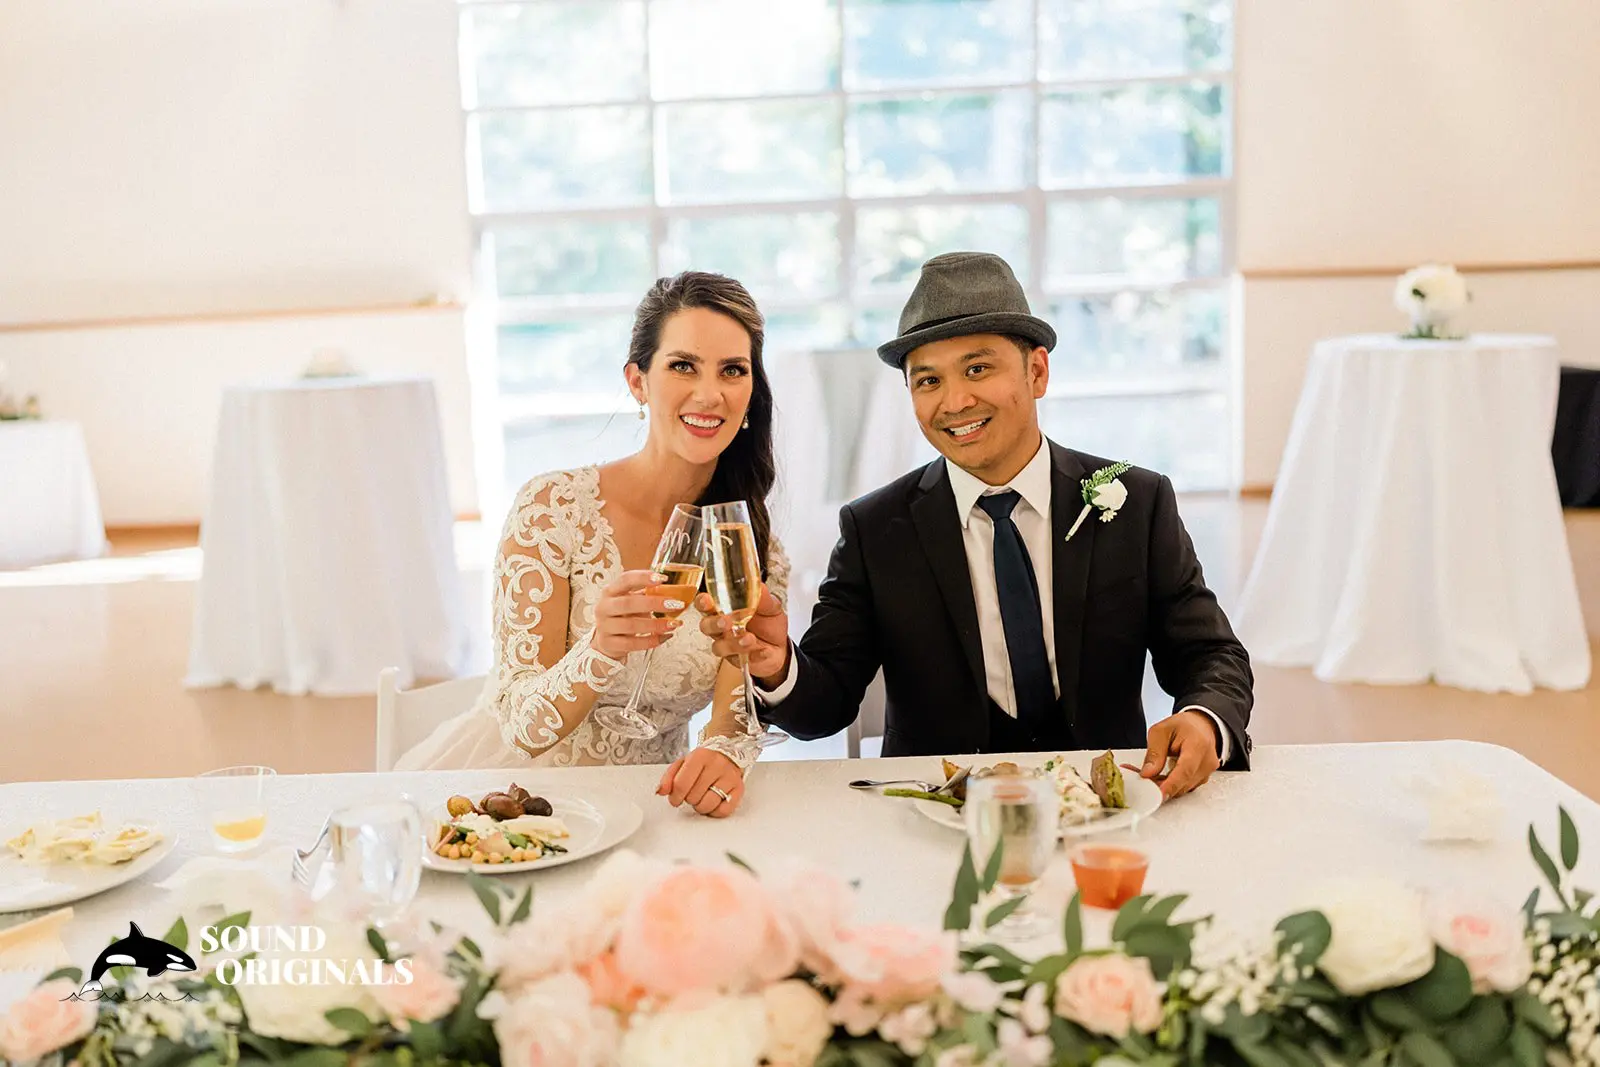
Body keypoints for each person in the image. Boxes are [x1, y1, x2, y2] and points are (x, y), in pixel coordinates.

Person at [699, 252, 1252, 798]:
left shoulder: (1135, 502)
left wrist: (1204, 718)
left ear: (1037, 371)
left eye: (977, 369)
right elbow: (826, 703)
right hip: (937, 818)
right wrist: (778, 665)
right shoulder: (875, 529)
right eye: (928, 381)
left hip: (1104, 807)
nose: (955, 402)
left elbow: (1210, 654)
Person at [397, 271, 787, 818]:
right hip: (513, 796)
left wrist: (723, 753)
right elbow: (523, 728)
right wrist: (600, 646)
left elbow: (733, 707)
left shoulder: (749, 545)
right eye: (683, 366)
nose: (709, 394)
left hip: (652, 803)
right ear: (638, 381)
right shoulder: (552, 510)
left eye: (732, 370)